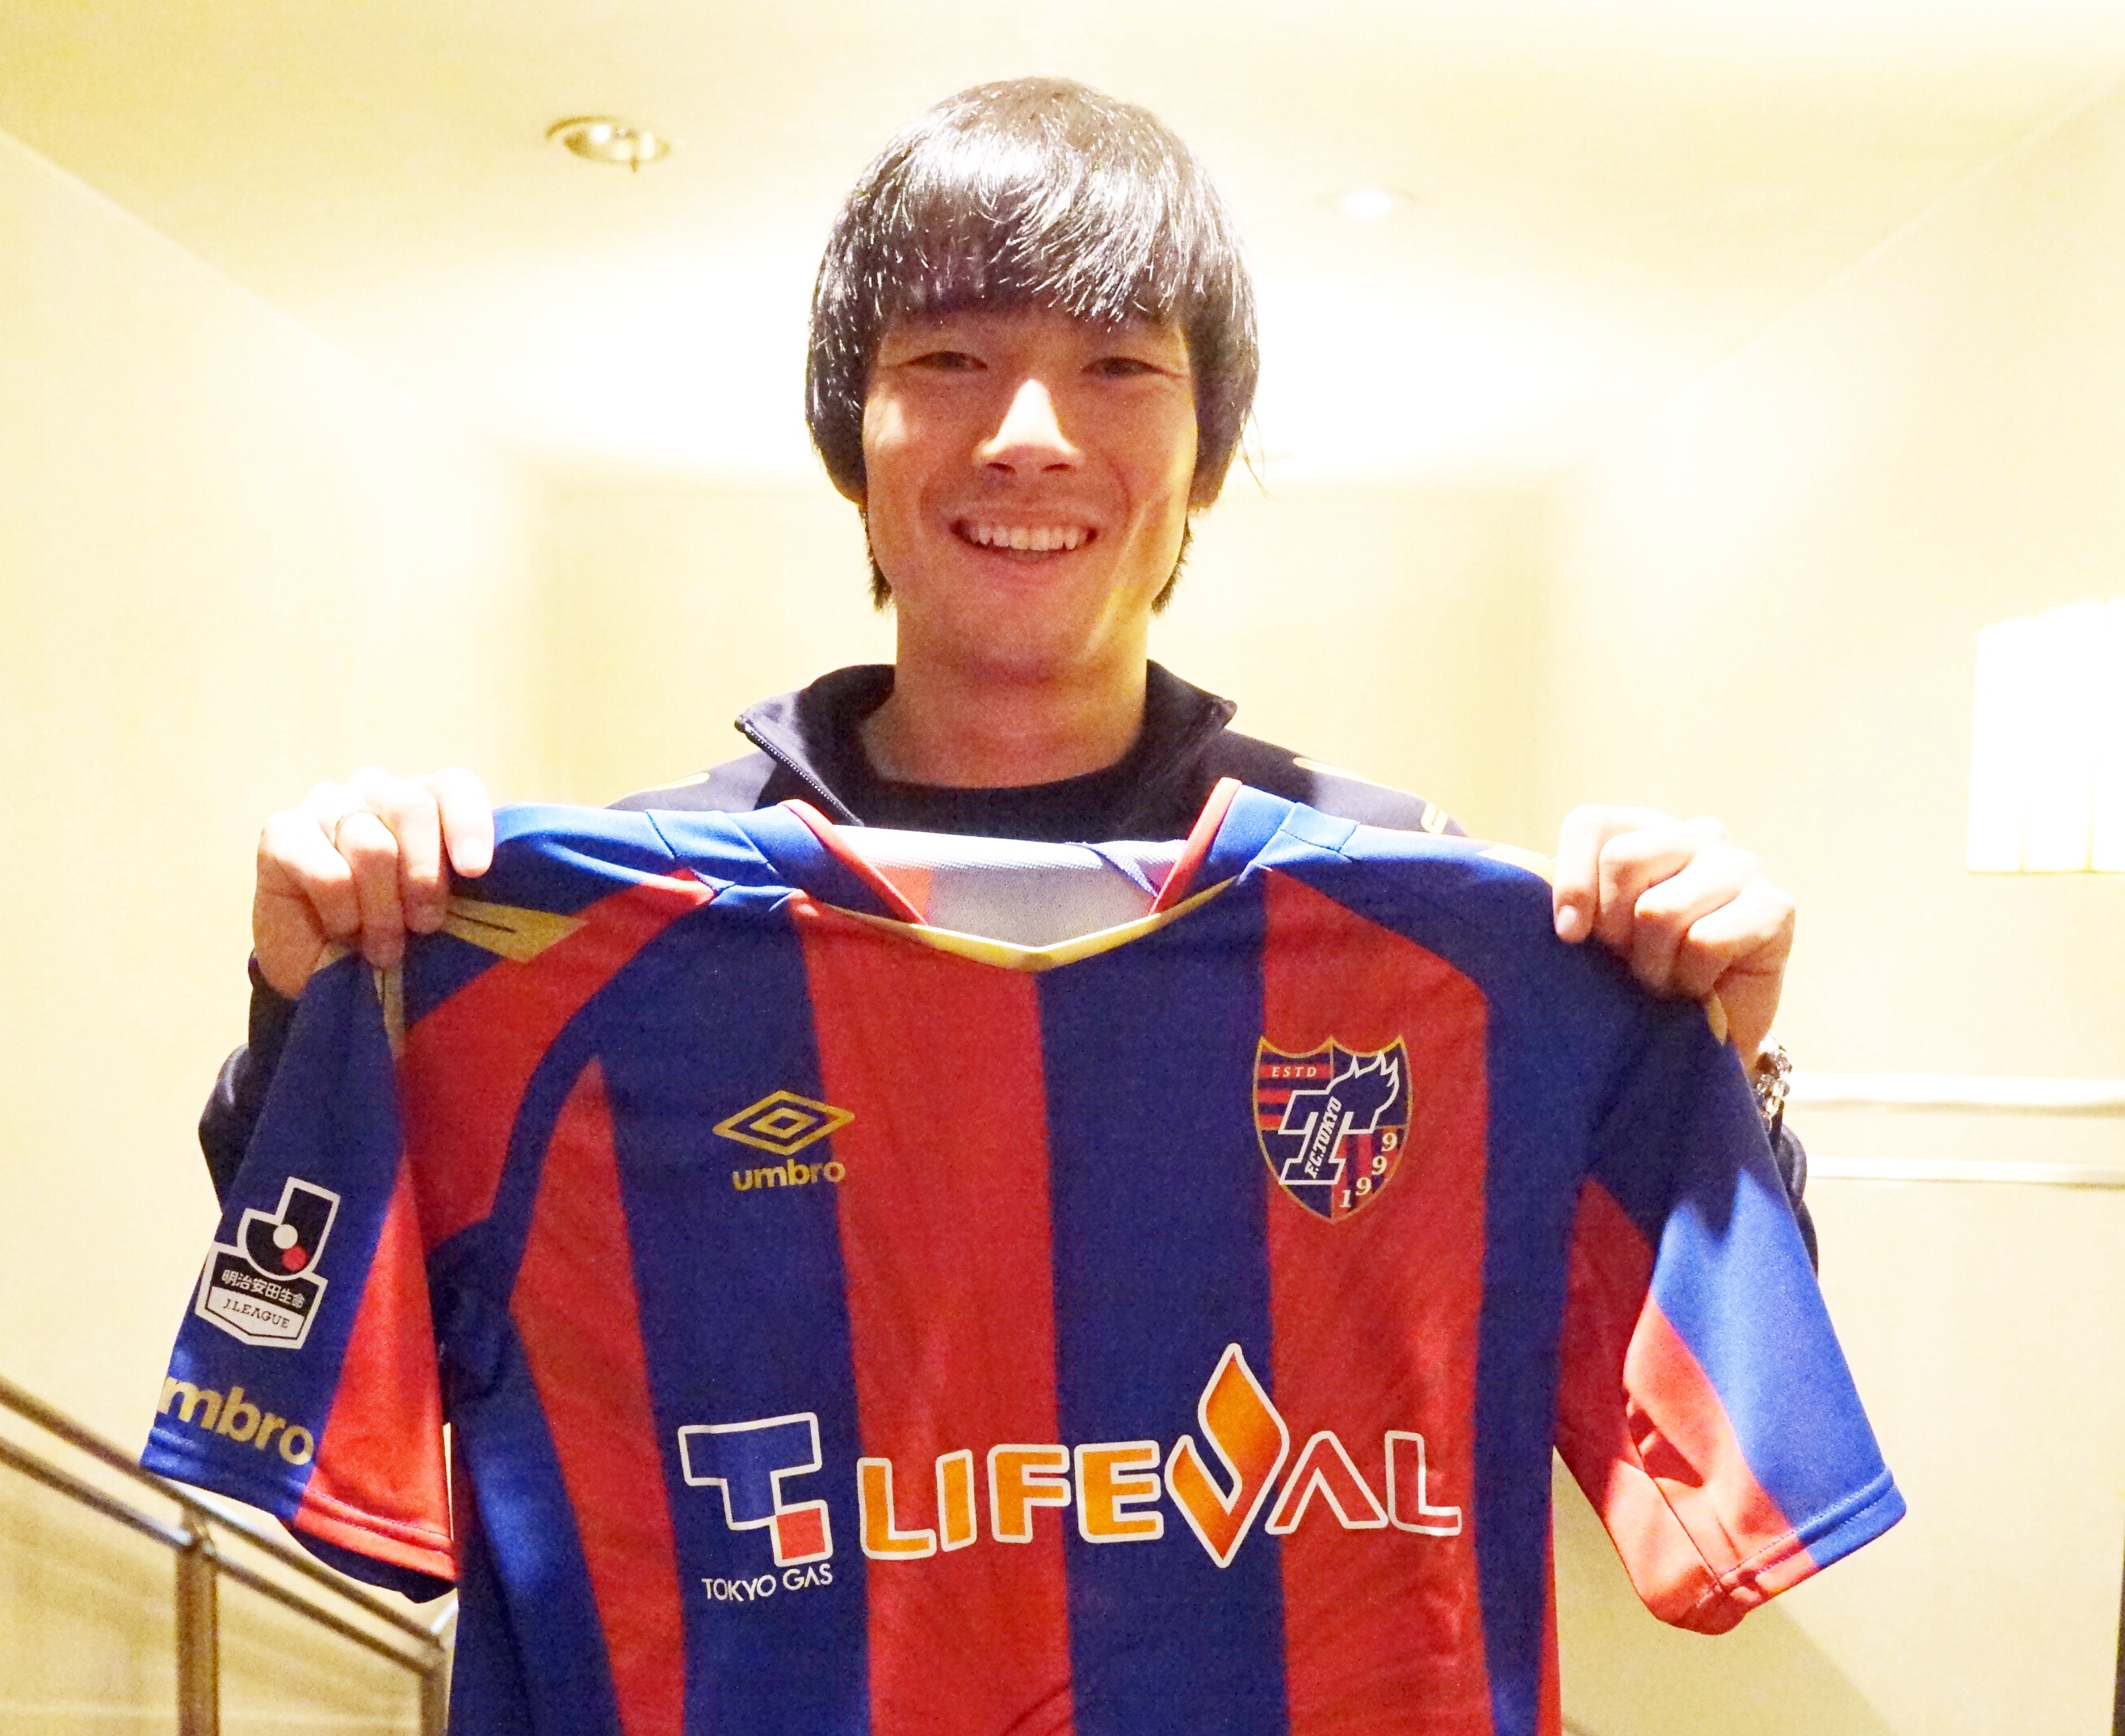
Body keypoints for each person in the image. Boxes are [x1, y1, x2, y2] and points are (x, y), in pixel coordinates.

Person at [202, 77, 1805, 1234]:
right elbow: (332, 1303)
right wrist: (317, 994)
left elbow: (1661, 1379)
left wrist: (1710, 1055)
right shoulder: (618, 912)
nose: (1029, 433)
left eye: (1118, 368)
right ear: (850, 439)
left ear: (1205, 455)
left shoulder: (1413, 906)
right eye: (952, 357)